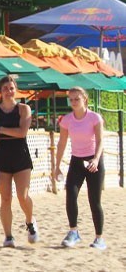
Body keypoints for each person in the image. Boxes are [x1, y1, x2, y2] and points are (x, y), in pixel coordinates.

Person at [0, 74, 38, 248]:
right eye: (5, 89)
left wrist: (1, 129)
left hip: (20, 154)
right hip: (2, 155)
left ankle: (30, 222)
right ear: (0, 92)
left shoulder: (24, 109)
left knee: (22, 196)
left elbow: (22, 132)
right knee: (5, 198)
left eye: (11, 88)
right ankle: (8, 236)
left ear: (16, 89)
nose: (9, 91)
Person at [54, 87, 106, 249]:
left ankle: (99, 238)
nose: (74, 102)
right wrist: (57, 166)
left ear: (85, 99)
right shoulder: (67, 120)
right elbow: (62, 143)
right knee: (71, 192)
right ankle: (73, 231)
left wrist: (96, 159)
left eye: (77, 99)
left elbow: (100, 140)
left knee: (94, 200)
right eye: (71, 99)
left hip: (93, 161)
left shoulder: (94, 118)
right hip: (76, 161)